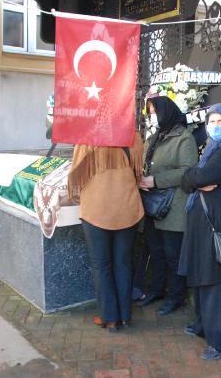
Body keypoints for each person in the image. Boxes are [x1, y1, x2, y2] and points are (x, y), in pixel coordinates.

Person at [178, 103, 221, 360]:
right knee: (200, 275)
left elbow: (197, 178)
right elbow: (191, 180)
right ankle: (203, 325)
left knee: (216, 281)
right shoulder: (212, 149)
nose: (216, 126)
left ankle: (220, 342)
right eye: (212, 121)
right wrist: (197, 178)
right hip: (203, 222)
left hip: (218, 224)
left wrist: (197, 178)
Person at [68, 135, 144, 332]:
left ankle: (109, 318)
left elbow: (76, 175)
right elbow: (139, 173)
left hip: (96, 210)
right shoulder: (133, 137)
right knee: (124, 263)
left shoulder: (86, 139)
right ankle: (125, 316)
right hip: (127, 208)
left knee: (101, 265)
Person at [138, 96, 198, 315]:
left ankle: (176, 297)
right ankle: (156, 290)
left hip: (173, 207)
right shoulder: (155, 137)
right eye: (150, 113)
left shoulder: (184, 137)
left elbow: (188, 170)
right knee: (156, 251)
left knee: (173, 254)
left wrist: (156, 180)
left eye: (155, 112)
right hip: (153, 205)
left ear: (166, 112)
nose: (152, 117)